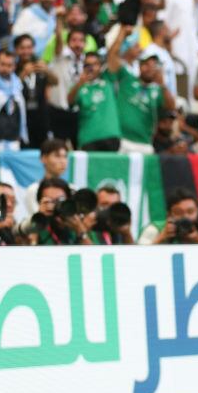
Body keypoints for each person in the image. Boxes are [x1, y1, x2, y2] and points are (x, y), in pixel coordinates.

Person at [106, 23, 175, 153]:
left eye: (154, 65)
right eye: (146, 64)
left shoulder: (158, 90)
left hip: (145, 143)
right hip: (122, 141)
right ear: (139, 66)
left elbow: (171, 107)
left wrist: (163, 85)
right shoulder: (127, 78)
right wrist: (122, 34)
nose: (149, 68)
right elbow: (112, 58)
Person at [68, 51, 121, 151]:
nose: (91, 68)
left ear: (101, 66)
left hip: (111, 136)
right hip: (88, 138)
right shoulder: (79, 87)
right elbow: (70, 101)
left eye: (95, 64)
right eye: (87, 65)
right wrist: (80, 82)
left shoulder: (108, 79)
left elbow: (113, 55)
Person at [29, 177, 92, 246]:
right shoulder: (32, 226)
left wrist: (80, 230)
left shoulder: (75, 223)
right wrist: (38, 220)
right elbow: (29, 248)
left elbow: (92, 251)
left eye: (61, 200)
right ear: (40, 202)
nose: (56, 205)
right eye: (50, 201)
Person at [22, 138, 69, 220]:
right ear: (43, 158)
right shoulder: (33, 190)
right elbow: (36, 219)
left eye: (65, 156)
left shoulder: (72, 188)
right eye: (57, 156)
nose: (63, 161)